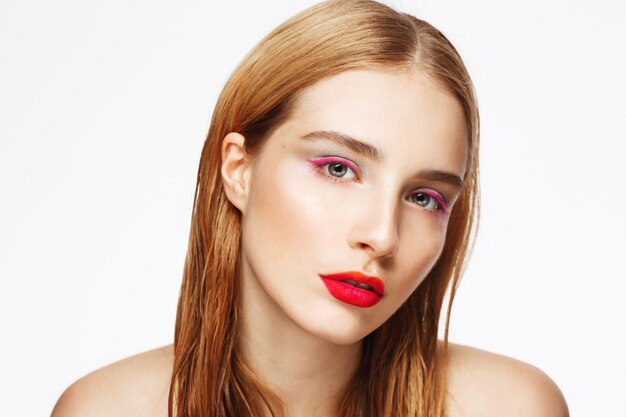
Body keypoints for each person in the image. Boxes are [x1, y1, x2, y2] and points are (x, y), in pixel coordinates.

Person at [51, 0, 569, 416]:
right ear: (238, 169)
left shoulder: (509, 406)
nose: (382, 235)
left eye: (423, 197)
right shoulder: (104, 409)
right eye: (338, 169)